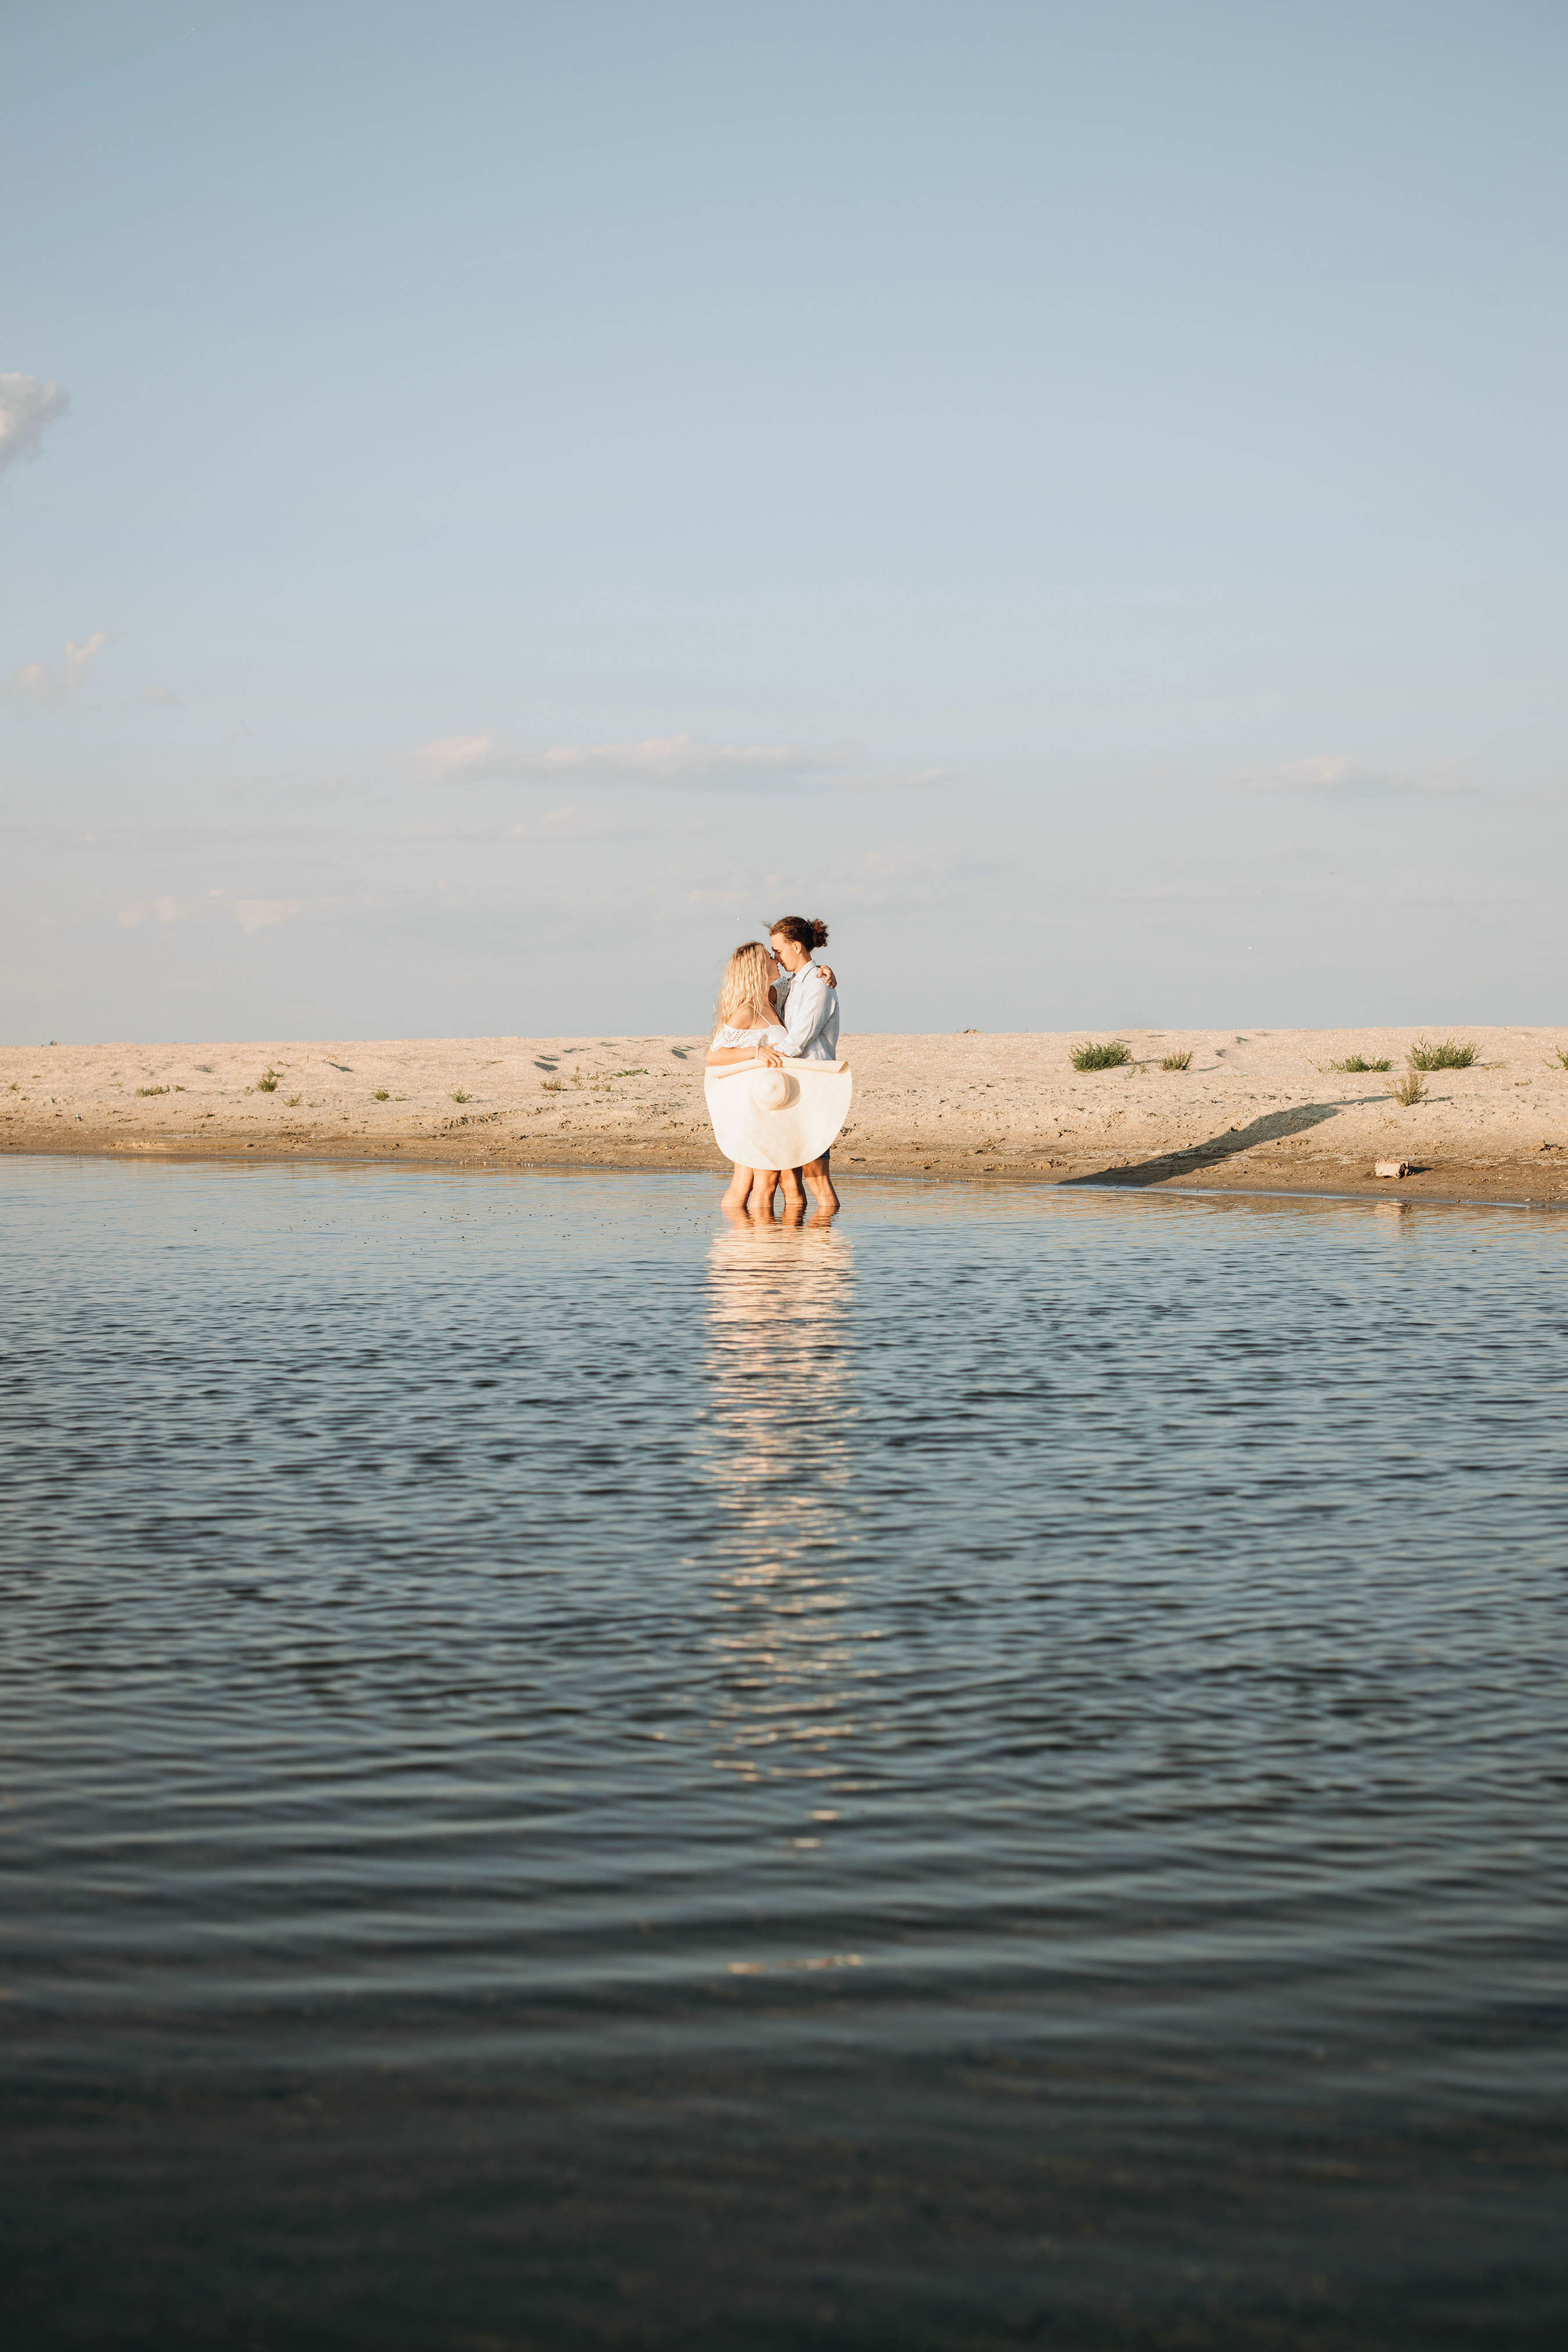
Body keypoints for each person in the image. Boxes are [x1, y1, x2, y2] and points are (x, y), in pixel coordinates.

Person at [705, 941, 791, 1216]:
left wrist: (825, 970)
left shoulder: (771, 998)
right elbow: (714, 1055)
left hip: (765, 1102)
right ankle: (757, 1248)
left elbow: (803, 981)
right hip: (754, 1107)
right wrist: (756, 1052)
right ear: (758, 967)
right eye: (770, 957)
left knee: (745, 1179)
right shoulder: (747, 1012)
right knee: (765, 1179)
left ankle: (740, 1250)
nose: (776, 959)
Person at [767, 916, 840, 1212]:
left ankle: (824, 1248)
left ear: (796, 946)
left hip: (814, 1085)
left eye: (779, 951)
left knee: (816, 1175)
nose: (776, 958)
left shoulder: (818, 986)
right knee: (789, 1175)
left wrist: (758, 1056)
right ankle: (796, 1248)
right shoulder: (795, 983)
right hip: (793, 1084)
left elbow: (798, 1041)